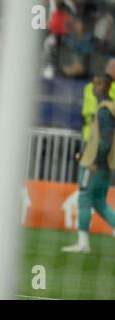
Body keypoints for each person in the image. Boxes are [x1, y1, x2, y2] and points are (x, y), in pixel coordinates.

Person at [62, 74, 115, 253]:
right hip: (107, 165)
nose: (94, 87)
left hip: (95, 165)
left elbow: (106, 140)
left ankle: (83, 243)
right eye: (94, 83)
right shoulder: (108, 108)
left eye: (98, 83)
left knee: (84, 198)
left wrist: (95, 161)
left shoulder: (104, 110)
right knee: (99, 202)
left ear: (108, 86)